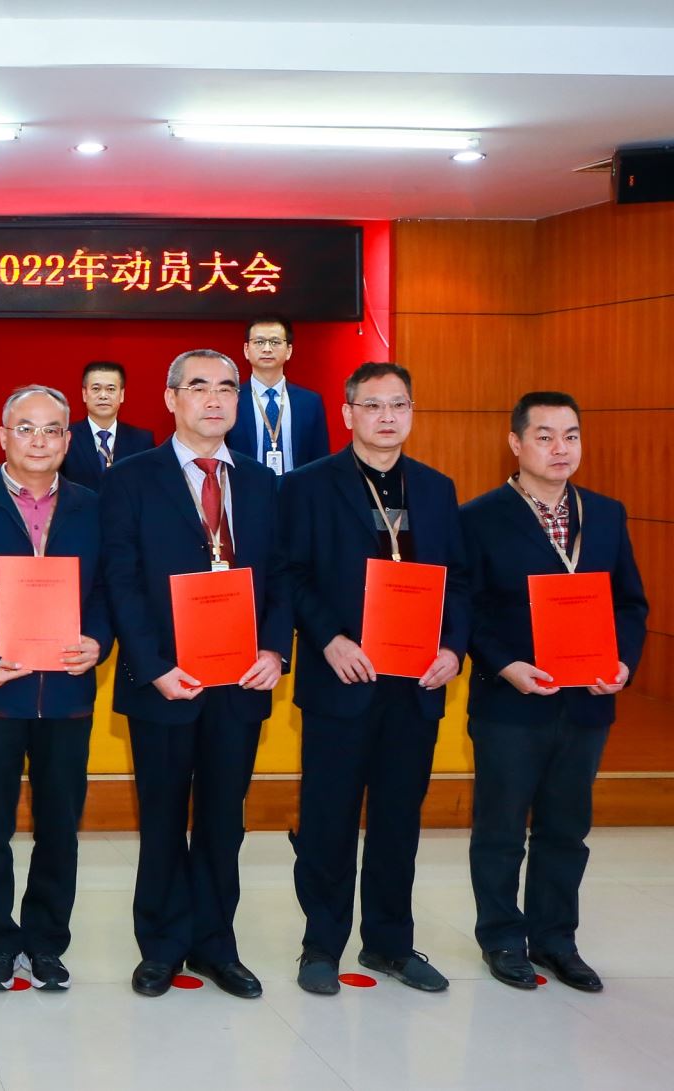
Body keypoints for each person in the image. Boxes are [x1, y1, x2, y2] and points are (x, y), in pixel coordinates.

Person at [99, 348, 291, 1000]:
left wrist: (275, 650)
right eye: (199, 386)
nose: (215, 398)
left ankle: (216, 944)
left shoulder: (261, 481)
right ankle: (161, 946)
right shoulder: (131, 477)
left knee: (222, 821)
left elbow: (280, 575)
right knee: (161, 819)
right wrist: (154, 666)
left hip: (240, 681)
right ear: (171, 398)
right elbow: (121, 578)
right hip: (165, 680)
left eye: (227, 388)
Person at [279, 362, 469, 996]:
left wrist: (454, 648)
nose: (387, 416)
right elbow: (290, 574)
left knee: (398, 821)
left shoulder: (436, 489)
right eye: (373, 405)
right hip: (342, 676)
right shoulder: (307, 486)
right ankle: (321, 945)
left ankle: (390, 943)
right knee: (328, 819)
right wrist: (328, 639)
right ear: (348, 413)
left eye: (399, 405)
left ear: (412, 412)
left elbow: (459, 581)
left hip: (415, 684)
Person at [461, 391, 648, 994]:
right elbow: (467, 609)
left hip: (587, 701)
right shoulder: (479, 517)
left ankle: (556, 939)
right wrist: (505, 665)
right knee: (500, 829)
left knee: (566, 829)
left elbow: (631, 604)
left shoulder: (606, 514)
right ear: (515, 444)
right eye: (544, 436)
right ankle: (501, 937)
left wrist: (623, 663)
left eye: (570, 435)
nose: (559, 448)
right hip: (512, 701)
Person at [0, 384, 109, 992]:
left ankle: (47, 942)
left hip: (66, 694)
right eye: (26, 428)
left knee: (60, 824)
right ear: (3, 436)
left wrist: (99, 641)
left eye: (52, 429)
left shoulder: (91, 505)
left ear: (68, 439)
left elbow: (107, 589)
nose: (39, 440)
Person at [225, 317, 330, 476]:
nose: (267, 349)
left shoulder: (310, 402)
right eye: (259, 342)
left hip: (296, 489)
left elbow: (321, 461)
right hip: (245, 488)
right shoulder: (230, 400)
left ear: (289, 351)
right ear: (246, 350)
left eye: (275, 342)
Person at [60, 360, 156, 488]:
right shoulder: (65, 437)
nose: (103, 396)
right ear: (84, 394)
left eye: (111, 389)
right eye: (96, 389)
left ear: (121, 395)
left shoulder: (142, 441)